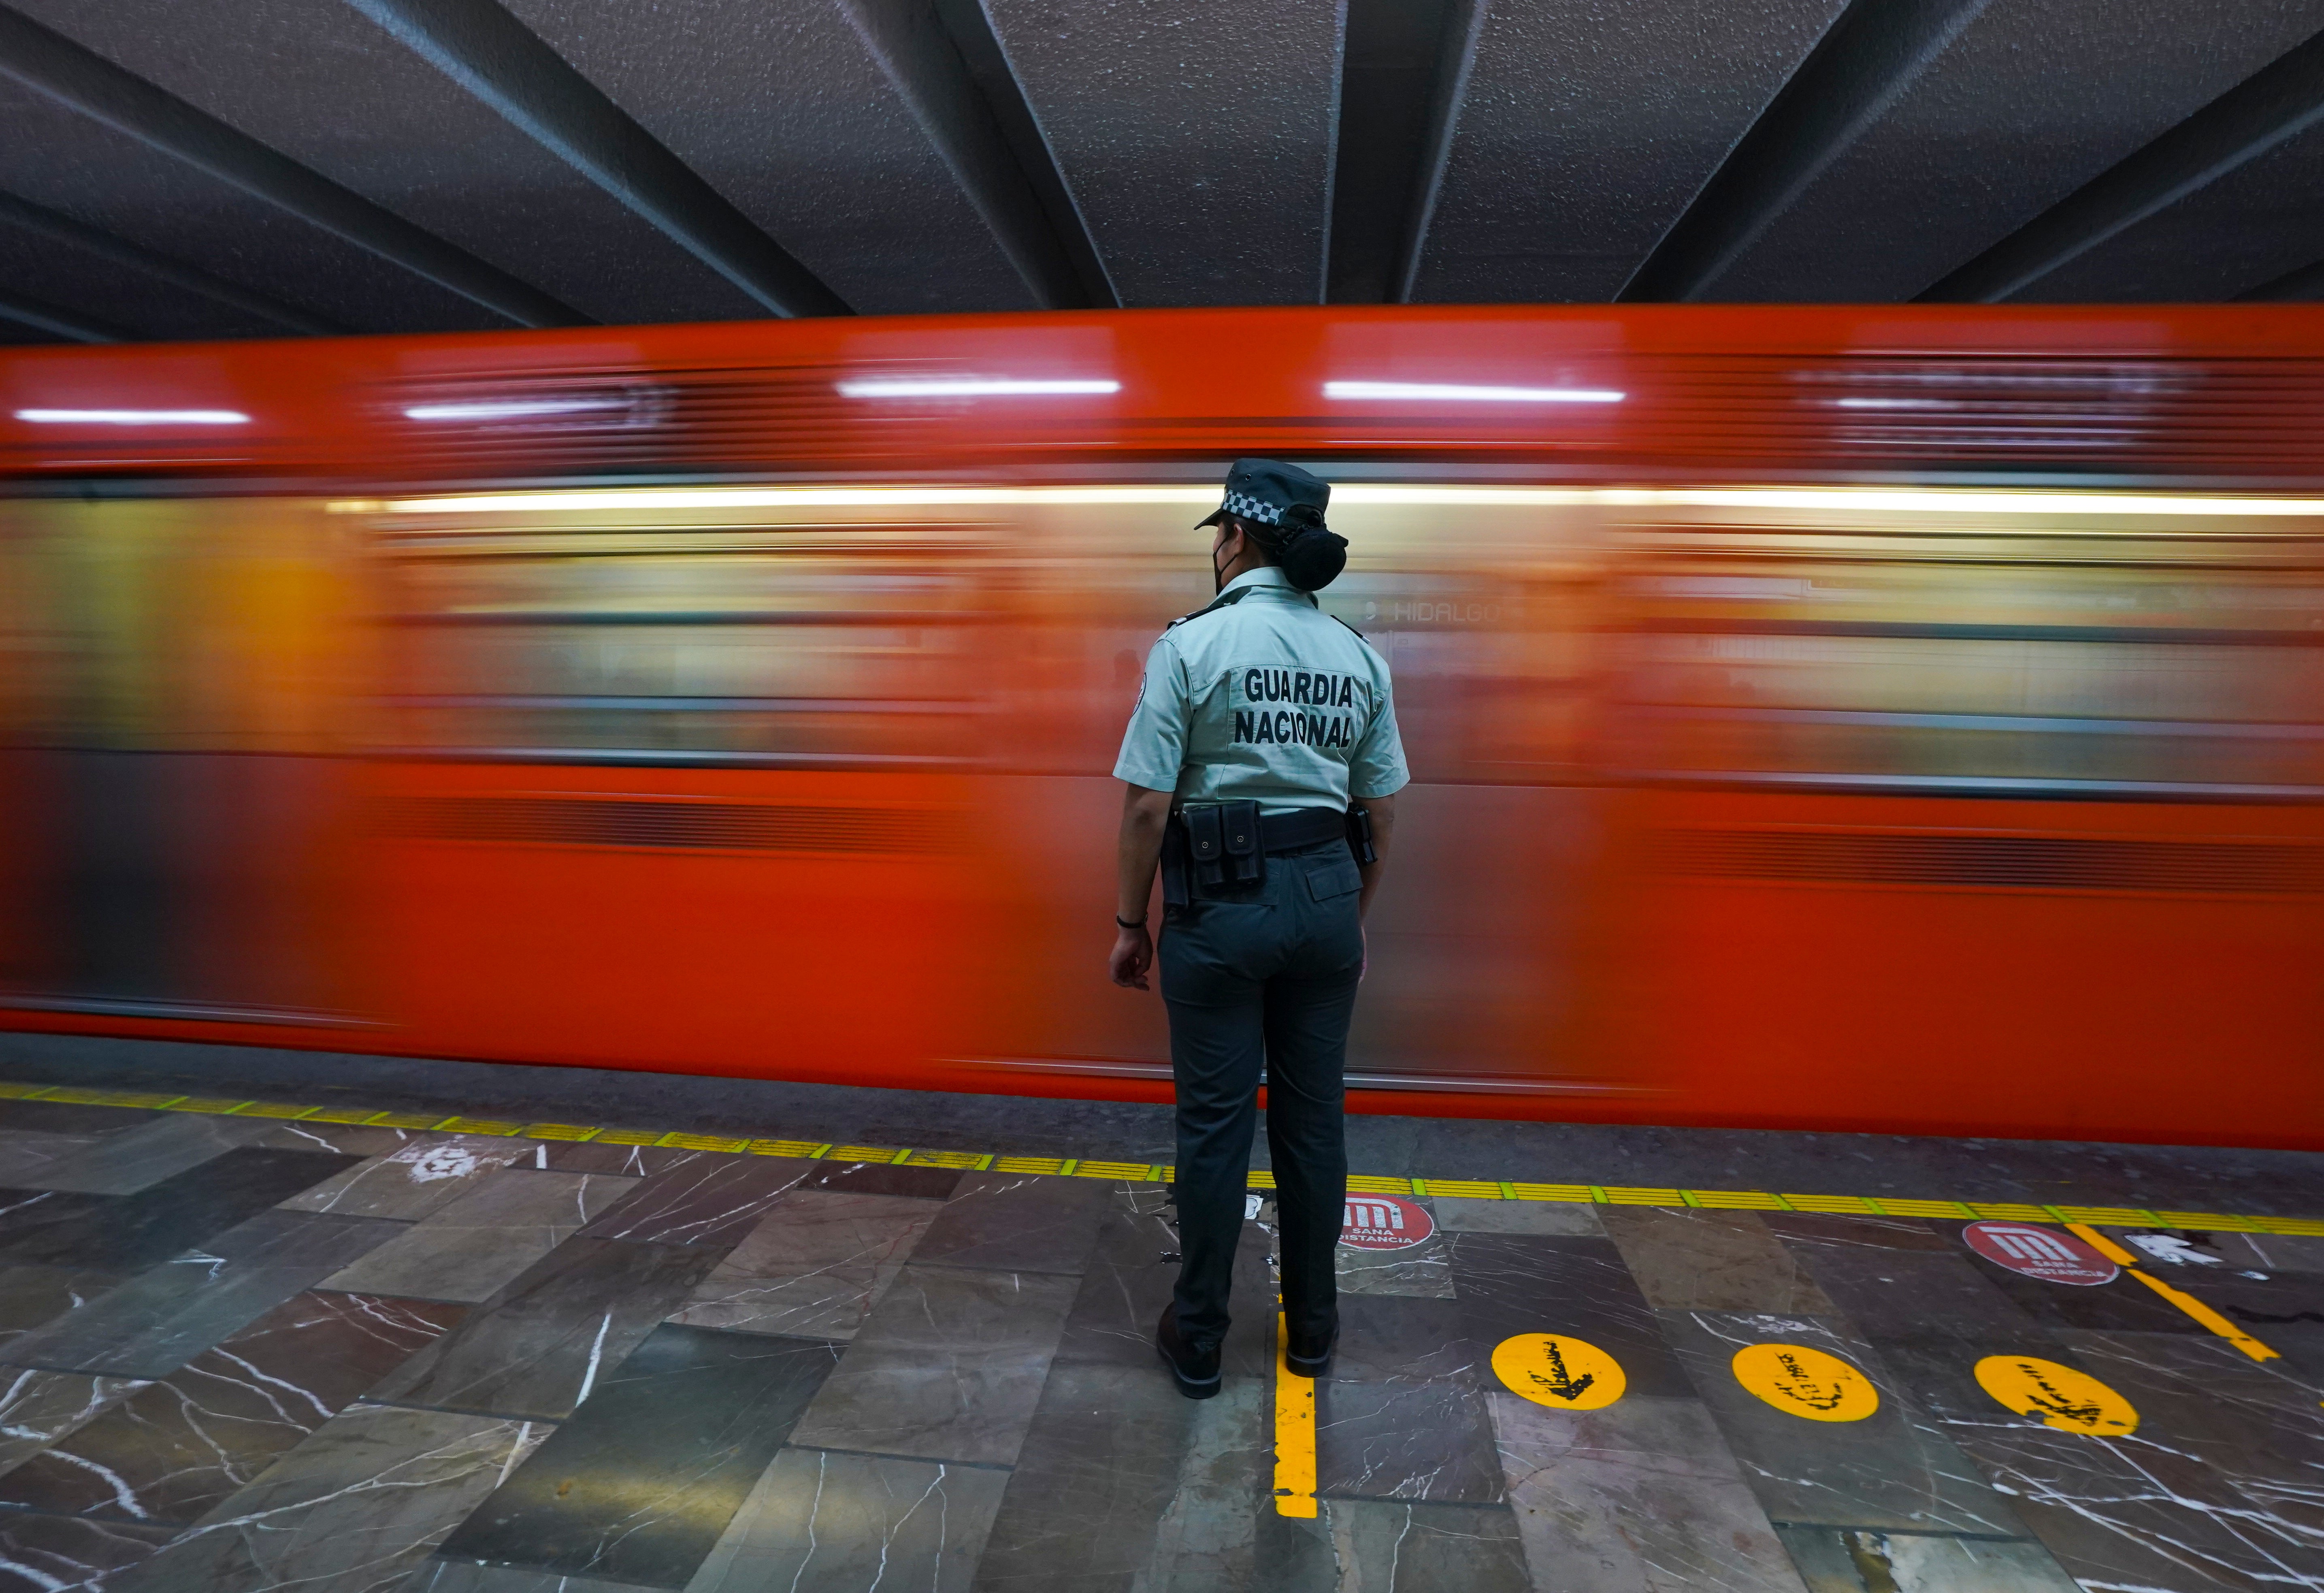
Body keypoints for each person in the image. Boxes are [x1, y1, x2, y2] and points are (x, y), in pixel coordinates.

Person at [1108, 458, 1408, 1399]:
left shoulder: (1191, 645)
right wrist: (1348, 917)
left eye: (1218, 534)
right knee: (1313, 1121)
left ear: (1234, 536)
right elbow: (1380, 808)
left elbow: (1147, 805)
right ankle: (1312, 1328)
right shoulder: (1357, 655)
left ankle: (1198, 1337)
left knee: (1213, 1126)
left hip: (1219, 906)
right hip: (1325, 897)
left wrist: (1129, 923)